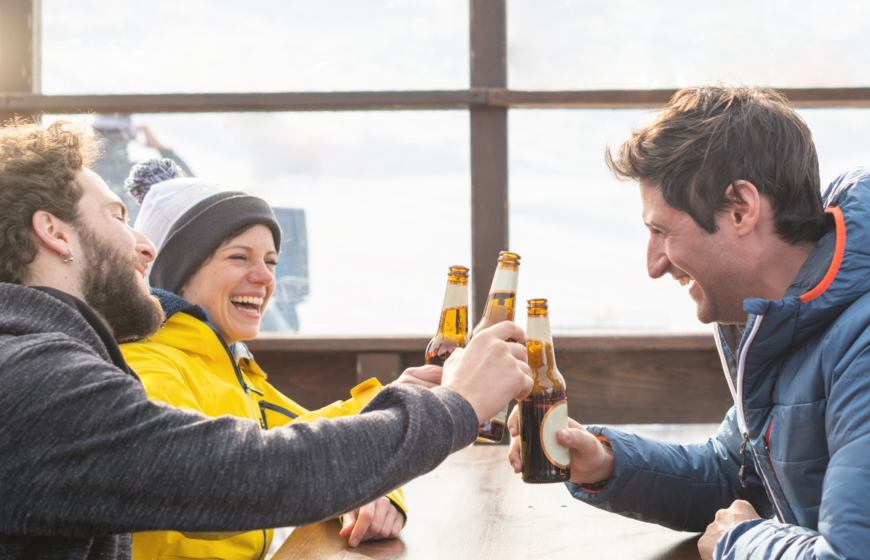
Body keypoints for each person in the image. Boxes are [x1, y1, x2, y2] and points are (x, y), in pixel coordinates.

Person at [0, 119, 533, 560]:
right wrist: (454, 405)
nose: (143, 244)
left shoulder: (41, 367)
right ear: (54, 231)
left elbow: (283, 444)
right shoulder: (37, 384)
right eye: (117, 215)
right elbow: (251, 471)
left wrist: (410, 401)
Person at [507, 85, 870, 560]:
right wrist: (603, 461)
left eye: (661, 230)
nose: (654, 264)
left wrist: (741, 542)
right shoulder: (778, 316)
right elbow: (736, 476)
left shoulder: (859, 345)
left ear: (741, 209)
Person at [117, 159, 416, 559]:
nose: (264, 277)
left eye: (271, 261)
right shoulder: (149, 370)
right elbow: (236, 482)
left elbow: (323, 436)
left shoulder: (227, 364)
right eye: (239, 257)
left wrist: (379, 491)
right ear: (176, 274)